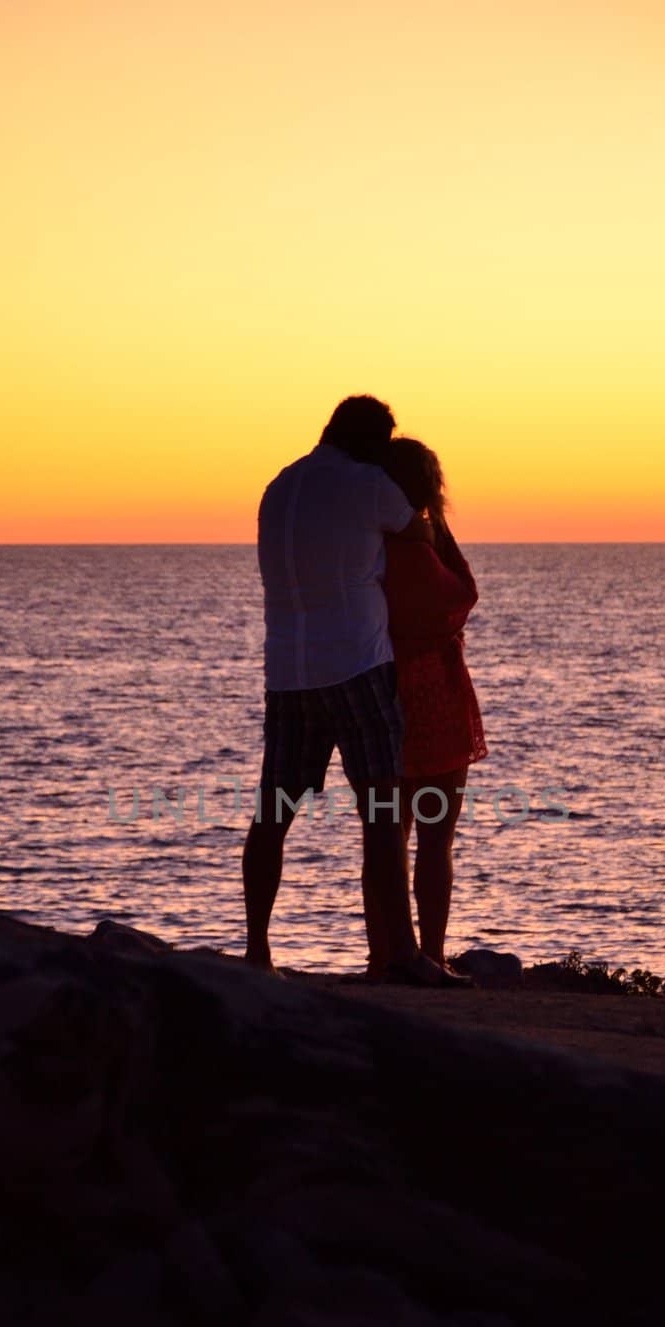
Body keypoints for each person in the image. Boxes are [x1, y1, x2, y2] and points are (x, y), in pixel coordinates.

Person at [242, 395, 469, 986]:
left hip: (288, 671)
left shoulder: (279, 486)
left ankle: (257, 950)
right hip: (358, 665)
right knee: (383, 813)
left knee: (272, 813)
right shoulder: (370, 484)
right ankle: (401, 956)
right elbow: (421, 529)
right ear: (371, 441)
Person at [363, 437, 487, 977]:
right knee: (435, 841)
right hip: (433, 691)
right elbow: (462, 595)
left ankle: (385, 956)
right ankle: (429, 955)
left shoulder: (370, 543)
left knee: (386, 837)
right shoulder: (424, 542)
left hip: (380, 690)